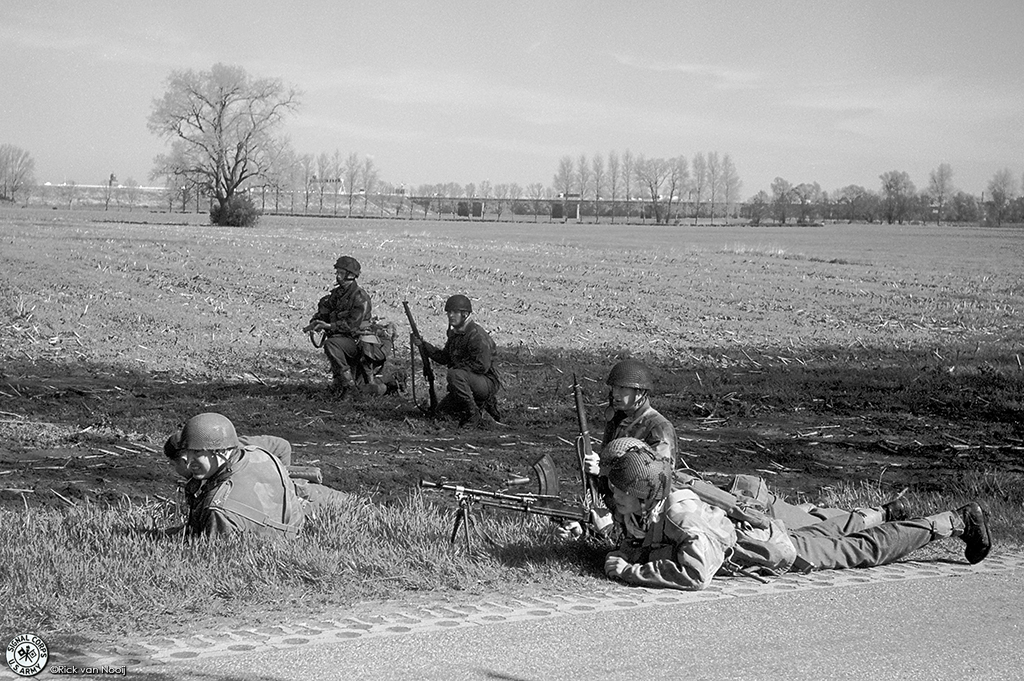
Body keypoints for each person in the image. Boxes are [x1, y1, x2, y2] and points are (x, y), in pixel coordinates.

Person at [599, 441, 993, 591]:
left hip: (778, 550)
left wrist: (631, 571)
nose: (611, 495)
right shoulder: (650, 502)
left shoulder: (682, 516)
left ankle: (954, 522)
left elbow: (696, 573)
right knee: (826, 531)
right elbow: (647, 540)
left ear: (639, 493)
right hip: (761, 530)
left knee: (858, 551)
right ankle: (883, 512)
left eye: (617, 490)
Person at [168, 412, 352, 537]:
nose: (189, 461)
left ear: (222, 452)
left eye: (198, 453)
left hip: (297, 519)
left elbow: (211, 558)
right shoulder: (256, 453)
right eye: (187, 453)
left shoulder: (218, 511)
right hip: (297, 511)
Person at [305, 255, 393, 397]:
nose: (337, 276)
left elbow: (351, 325)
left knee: (331, 345)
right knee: (362, 386)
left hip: (358, 342)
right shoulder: (336, 294)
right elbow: (324, 312)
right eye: (337, 273)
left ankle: (348, 385)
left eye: (341, 273)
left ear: (351, 275)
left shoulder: (360, 297)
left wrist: (328, 326)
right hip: (346, 341)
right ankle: (343, 383)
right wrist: (315, 322)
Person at [412, 294, 501, 428]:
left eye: (454, 312)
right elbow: (445, 357)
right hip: (469, 380)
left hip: (485, 382)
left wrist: (457, 370)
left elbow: (482, 366)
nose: (450, 316)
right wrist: (424, 346)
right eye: (449, 312)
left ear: (465, 314)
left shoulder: (476, 335)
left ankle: (473, 415)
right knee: (441, 414)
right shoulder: (457, 334)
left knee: (455, 375)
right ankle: (480, 405)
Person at [596, 359, 678, 466]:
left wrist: (601, 470)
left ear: (640, 392)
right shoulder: (617, 420)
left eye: (622, 388)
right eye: (614, 388)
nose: (615, 394)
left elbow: (659, 474)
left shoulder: (659, 427)